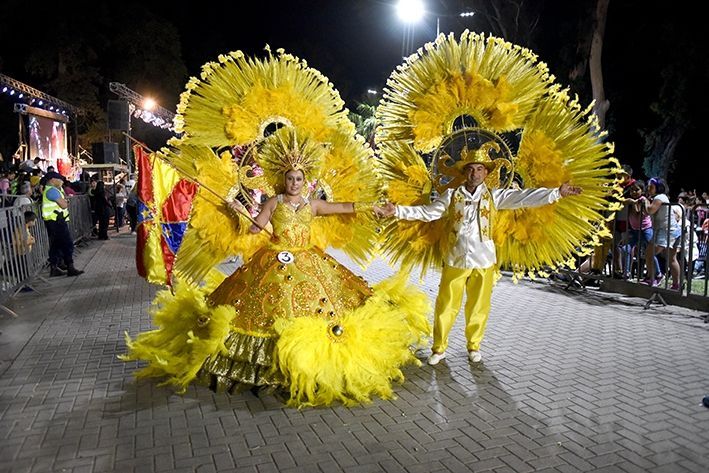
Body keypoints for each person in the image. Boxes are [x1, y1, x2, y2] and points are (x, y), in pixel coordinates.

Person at [122, 130, 430, 407]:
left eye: (299, 178)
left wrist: (372, 207)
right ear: (283, 179)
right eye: (290, 178)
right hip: (274, 260)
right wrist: (241, 211)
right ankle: (271, 370)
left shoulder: (312, 205)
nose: (294, 183)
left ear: (305, 179)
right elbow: (258, 228)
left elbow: (344, 207)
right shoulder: (274, 202)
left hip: (310, 262)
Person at [375, 151, 582, 365]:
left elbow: (524, 197)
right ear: (465, 172)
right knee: (446, 305)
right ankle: (439, 349)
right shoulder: (452, 195)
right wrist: (397, 210)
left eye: (480, 169)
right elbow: (430, 212)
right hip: (456, 259)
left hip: (484, 261)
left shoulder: (494, 196)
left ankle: (474, 346)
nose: (475, 173)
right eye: (471, 169)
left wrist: (557, 193)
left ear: (486, 173)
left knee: (479, 306)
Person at [41, 171, 84, 277]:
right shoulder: (52, 191)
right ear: (52, 180)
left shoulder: (52, 190)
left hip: (54, 221)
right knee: (67, 244)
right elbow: (64, 205)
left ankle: (54, 268)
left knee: (56, 245)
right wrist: (65, 202)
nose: (61, 181)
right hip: (57, 221)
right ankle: (70, 267)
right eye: (59, 179)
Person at [643, 177, 681, 288]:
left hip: (665, 231)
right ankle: (676, 285)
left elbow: (649, 210)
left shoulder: (660, 197)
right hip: (671, 230)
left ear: (658, 187)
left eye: (651, 186)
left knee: (649, 254)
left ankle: (653, 277)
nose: (648, 188)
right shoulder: (659, 197)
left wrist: (645, 201)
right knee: (671, 258)